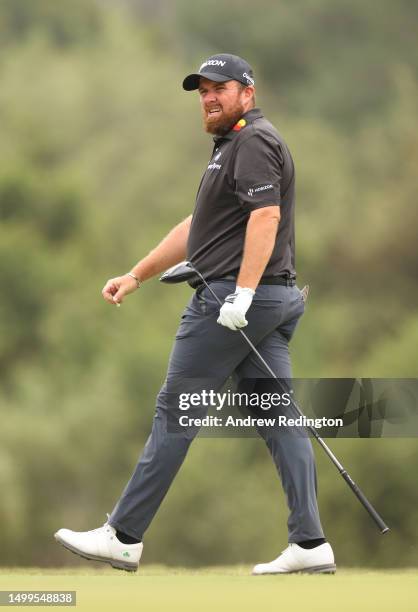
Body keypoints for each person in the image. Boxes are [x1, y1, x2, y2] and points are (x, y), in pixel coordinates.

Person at [55, 53, 335, 575]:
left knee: (175, 411)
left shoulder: (252, 142)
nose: (209, 98)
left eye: (220, 88)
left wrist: (242, 295)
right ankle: (311, 541)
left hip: (233, 301)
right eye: (202, 91)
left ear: (247, 93)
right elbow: (196, 228)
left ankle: (124, 535)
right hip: (270, 300)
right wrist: (136, 274)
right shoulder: (229, 148)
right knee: (277, 416)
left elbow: (266, 216)